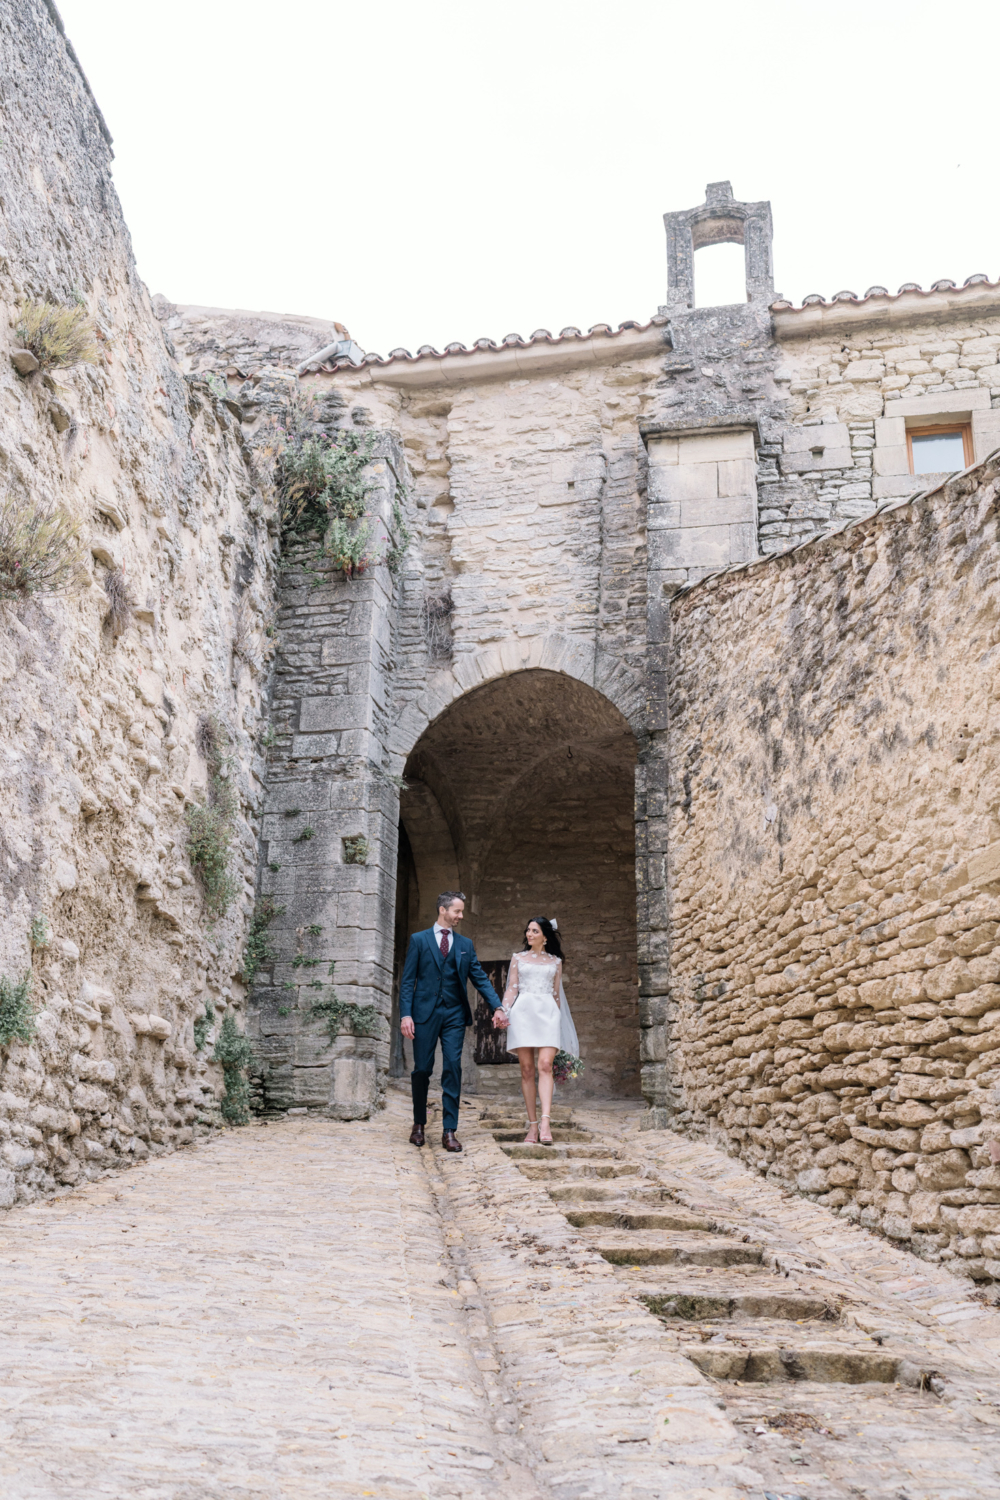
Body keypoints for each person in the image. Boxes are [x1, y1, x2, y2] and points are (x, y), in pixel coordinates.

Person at [398, 890, 507, 1152]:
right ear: (443, 910)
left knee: (452, 1069)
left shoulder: (465, 945)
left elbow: (480, 978)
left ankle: (449, 1130)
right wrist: (406, 1014)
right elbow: (408, 981)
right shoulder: (419, 940)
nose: (460, 916)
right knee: (421, 1069)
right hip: (423, 1014)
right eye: (457, 911)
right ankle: (419, 1124)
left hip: (455, 1015)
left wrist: (498, 1007)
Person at [501, 917, 578, 1146]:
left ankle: (546, 1123)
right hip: (522, 1014)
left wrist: (559, 1023)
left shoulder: (555, 962)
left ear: (545, 936)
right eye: (528, 930)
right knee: (526, 1069)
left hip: (548, 1015)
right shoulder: (518, 958)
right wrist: (503, 1011)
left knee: (545, 1065)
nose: (529, 934)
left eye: (534, 931)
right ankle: (532, 1126)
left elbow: (556, 995)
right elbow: (512, 989)